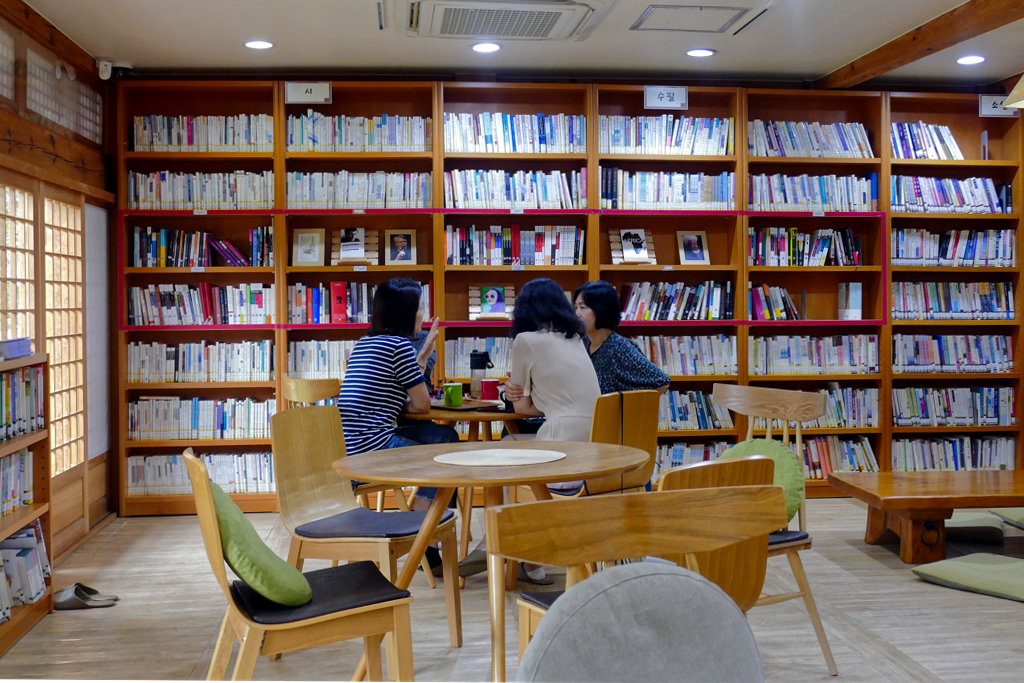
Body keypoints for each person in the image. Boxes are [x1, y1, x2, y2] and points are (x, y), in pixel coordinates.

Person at [336, 277, 457, 490]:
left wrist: (422, 356)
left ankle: (429, 511)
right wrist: (424, 356)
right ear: (406, 314)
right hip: (374, 449)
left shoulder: (363, 343)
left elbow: (392, 392)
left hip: (347, 449)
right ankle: (428, 514)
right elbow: (422, 405)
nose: (423, 314)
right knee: (446, 448)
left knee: (441, 435)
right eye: (420, 308)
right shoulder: (398, 346)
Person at [503, 278, 602, 443]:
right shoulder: (576, 339)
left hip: (562, 434)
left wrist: (513, 390)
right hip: (597, 433)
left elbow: (521, 408)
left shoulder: (525, 340)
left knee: (508, 442)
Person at [572, 280, 670, 395]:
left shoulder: (619, 348)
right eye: (576, 307)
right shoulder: (584, 342)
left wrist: (628, 409)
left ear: (601, 310)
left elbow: (661, 382)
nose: (577, 314)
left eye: (582, 307)